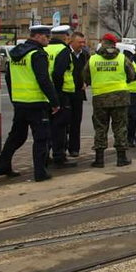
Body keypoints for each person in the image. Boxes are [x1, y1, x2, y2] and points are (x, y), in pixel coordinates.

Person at [0, 25, 60, 182]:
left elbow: (8, 78)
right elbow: (44, 80)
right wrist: (54, 102)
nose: (49, 40)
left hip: (20, 103)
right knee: (41, 138)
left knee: (16, 136)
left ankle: (2, 166)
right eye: (47, 37)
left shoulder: (16, 53)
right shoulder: (37, 54)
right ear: (37, 36)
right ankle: (40, 172)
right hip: (36, 103)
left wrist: (14, 98)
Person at [84, 33, 136, 168]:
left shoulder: (93, 59)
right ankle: (121, 158)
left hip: (100, 98)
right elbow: (131, 75)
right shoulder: (122, 58)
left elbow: (86, 77)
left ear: (102, 42)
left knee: (100, 127)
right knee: (120, 127)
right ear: (114, 44)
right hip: (120, 98)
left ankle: (99, 160)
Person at [45, 25, 78, 168]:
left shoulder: (44, 49)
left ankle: (45, 155)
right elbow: (59, 73)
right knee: (60, 127)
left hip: (45, 94)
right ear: (66, 37)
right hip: (61, 94)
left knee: (47, 126)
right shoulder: (63, 51)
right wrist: (57, 94)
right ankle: (59, 156)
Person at [66, 31, 89, 157]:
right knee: (64, 122)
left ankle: (74, 148)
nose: (82, 44)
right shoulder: (65, 53)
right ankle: (62, 147)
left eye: (83, 42)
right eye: (80, 42)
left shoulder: (85, 55)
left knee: (76, 121)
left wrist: (86, 82)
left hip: (79, 93)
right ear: (72, 41)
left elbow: (88, 71)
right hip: (66, 92)